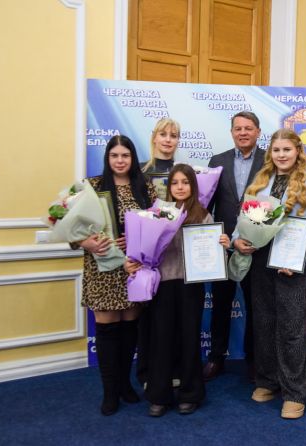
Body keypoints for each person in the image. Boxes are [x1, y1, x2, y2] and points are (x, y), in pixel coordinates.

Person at [232, 128, 306, 419]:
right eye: (276, 150)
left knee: (292, 327)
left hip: (294, 266)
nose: (281, 155)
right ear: (270, 153)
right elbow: (244, 217)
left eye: (287, 149)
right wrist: (237, 239)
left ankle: (294, 393)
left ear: (298, 151)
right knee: (264, 322)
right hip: (261, 261)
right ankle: (267, 380)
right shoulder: (260, 182)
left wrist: (298, 260)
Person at [125, 164, 230, 417]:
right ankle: (159, 395)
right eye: (175, 183)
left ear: (193, 185)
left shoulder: (203, 215)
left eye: (185, 182)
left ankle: (190, 393)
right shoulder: (159, 212)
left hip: (190, 286)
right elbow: (144, 248)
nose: (180, 187)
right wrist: (134, 260)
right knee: (161, 339)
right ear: (169, 186)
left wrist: (222, 244)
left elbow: (214, 256)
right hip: (162, 285)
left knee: (189, 338)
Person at [79, 135, 156, 415]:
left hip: (133, 269)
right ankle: (110, 392)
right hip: (103, 270)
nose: (120, 161)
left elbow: (156, 226)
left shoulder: (145, 187)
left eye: (125, 155)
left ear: (132, 158)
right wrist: (86, 243)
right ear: (107, 158)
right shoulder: (92, 186)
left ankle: (125, 384)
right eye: (115, 156)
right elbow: (72, 228)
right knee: (108, 331)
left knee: (129, 329)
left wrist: (137, 240)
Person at [204, 111, 265, 381]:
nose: (243, 132)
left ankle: (255, 360)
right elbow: (207, 205)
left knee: (256, 306)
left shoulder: (269, 161)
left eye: (248, 128)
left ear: (258, 132)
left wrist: (256, 238)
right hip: (223, 245)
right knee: (220, 305)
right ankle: (216, 357)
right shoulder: (217, 161)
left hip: (256, 246)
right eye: (238, 128)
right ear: (231, 132)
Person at [137, 117, 181, 387]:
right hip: (147, 254)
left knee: (173, 317)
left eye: (173, 135)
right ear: (154, 137)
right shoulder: (140, 172)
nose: (168, 140)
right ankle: (147, 373)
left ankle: (174, 371)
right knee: (148, 318)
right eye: (163, 134)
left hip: (175, 255)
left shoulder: (184, 173)